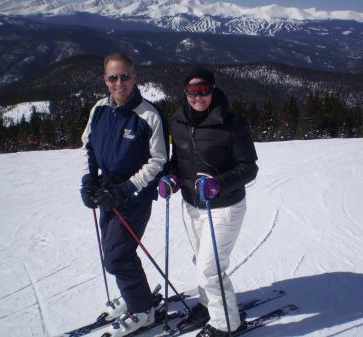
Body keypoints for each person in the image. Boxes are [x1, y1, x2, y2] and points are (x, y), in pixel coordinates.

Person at [159, 67, 258, 337]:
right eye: (191, 91)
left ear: (212, 90)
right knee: (199, 261)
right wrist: (171, 177)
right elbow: (178, 161)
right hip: (191, 205)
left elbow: (249, 168)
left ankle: (227, 325)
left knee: (209, 269)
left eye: (203, 90)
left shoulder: (233, 123)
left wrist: (219, 183)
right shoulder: (178, 122)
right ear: (185, 93)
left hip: (224, 207)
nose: (197, 96)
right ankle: (207, 304)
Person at [80, 52, 170, 337]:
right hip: (107, 193)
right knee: (117, 252)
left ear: (135, 76)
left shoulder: (147, 114)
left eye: (125, 76)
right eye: (113, 77)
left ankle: (143, 310)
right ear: (105, 80)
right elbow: (89, 149)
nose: (120, 82)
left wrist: (126, 188)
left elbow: (158, 161)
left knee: (116, 258)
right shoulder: (99, 110)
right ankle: (136, 296)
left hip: (135, 196)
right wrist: (88, 181)